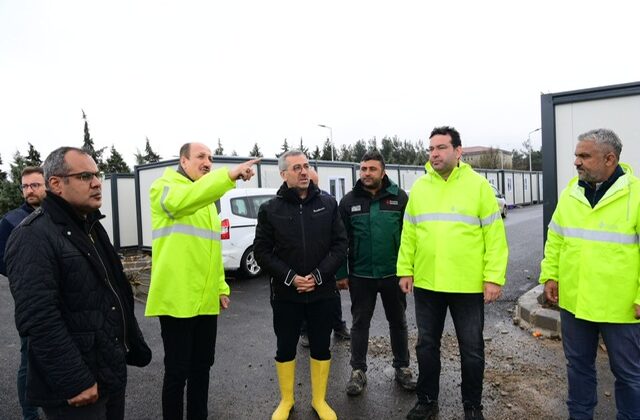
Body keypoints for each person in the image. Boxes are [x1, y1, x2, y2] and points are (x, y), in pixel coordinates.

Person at [5, 147, 151, 420]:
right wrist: (75, 380)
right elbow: (38, 318)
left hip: (108, 373)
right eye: (85, 176)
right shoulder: (32, 235)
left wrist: (133, 344)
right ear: (57, 184)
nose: (97, 183)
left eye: (97, 175)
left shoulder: (92, 227)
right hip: (76, 389)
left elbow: (115, 292)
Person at [397, 126, 508, 420]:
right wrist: (405, 270)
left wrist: (494, 277)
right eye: (431, 149)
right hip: (428, 283)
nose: (434, 153)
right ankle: (427, 401)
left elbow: (494, 236)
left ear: (458, 151)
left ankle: (472, 406)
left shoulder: (478, 186)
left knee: (471, 349)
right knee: (426, 346)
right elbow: (409, 233)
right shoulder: (420, 188)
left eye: (441, 147)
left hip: (467, 285)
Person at [145, 142, 258, 420]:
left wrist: (221, 287)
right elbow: (185, 200)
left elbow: (212, 250)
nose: (208, 162)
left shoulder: (206, 202)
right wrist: (229, 176)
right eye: (200, 157)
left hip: (205, 300)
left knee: (202, 368)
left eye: (210, 158)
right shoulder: (164, 187)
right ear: (183, 161)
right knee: (177, 372)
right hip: (177, 300)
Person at [540, 128, 640, 419]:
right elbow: (556, 237)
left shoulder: (635, 195)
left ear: (610, 159)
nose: (577, 162)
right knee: (578, 369)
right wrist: (550, 275)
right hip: (576, 302)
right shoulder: (572, 192)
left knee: (629, 376)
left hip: (620, 308)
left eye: (584, 156)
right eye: (576, 155)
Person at [253, 150, 347, 420]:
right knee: (285, 347)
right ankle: (286, 400)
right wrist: (291, 278)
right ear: (284, 174)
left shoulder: (328, 204)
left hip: (322, 293)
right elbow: (263, 251)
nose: (304, 171)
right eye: (296, 168)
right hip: (286, 294)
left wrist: (318, 277)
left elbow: (340, 245)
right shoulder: (270, 209)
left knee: (321, 346)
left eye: (306, 166)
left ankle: (319, 400)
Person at [336, 150, 415, 396]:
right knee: (360, 324)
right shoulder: (349, 201)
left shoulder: (400, 198)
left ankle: (402, 367)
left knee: (398, 322)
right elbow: (340, 240)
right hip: (361, 276)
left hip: (393, 274)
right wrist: (341, 273)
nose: (367, 173)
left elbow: (409, 239)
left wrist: (408, 271)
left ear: (383, 171)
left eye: (372, 169)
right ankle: (358, 371)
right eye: (363, 169)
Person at [0, 166, 46, 420]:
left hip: (63, 299)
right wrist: (26, 278)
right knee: (29, 359)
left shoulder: (58, 216)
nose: (29, 191)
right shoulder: (11, 221)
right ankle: (30, 415)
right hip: (30, 302)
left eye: (35, 185)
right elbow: (1, 259)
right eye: (25, 186)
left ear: (47, 185)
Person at [298, 168, 350, 348]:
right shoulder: (297, 202)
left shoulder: (327, 201)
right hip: (304, 261)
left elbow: (338, 235)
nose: (313, 187)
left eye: (315, 183)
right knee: (305, 296)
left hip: (326, 261)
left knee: (333, 296)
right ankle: (305, 331)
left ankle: (338, 325)